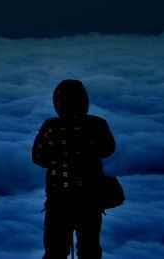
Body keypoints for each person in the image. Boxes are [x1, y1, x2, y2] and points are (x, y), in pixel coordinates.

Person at [32, 80, 116, 259]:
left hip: (58, 201)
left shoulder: (51, 126)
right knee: (90, 250)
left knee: (55, 251)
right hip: (90, 200)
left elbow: (38, 157)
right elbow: (108, 149)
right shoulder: (98, 124)